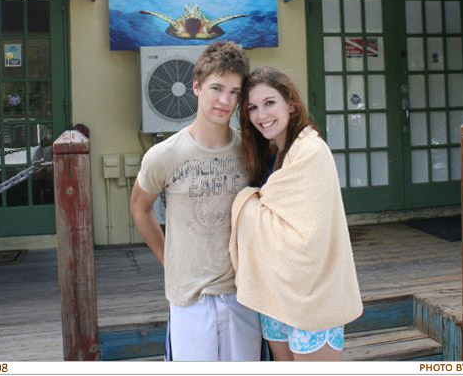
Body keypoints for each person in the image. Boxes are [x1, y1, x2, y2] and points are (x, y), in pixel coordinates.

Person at [130, 41, 262, 361]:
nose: (224, 100)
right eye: (216, 87)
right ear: (196, 86)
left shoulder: (251, 149)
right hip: (190, 298)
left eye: (234, 91)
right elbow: (139, 206)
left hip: (243, 295)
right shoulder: (165, 155)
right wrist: (167, 258)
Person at [230, 67, 363, 361]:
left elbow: (308, 238)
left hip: (312, 295)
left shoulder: (310, 152)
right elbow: (270, 215)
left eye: (269, 103)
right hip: (277, 293)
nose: (261, 114)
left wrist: (247, 204)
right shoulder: (272, 154)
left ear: (290, 103)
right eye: (252, 107)